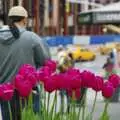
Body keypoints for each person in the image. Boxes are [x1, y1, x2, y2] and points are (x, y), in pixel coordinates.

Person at [0, 6, 50, 120]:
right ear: (24, 20)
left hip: (5, 94)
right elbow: (45, 61)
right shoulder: (31, 37)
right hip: (29, 93)